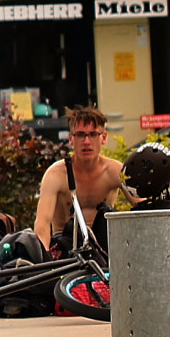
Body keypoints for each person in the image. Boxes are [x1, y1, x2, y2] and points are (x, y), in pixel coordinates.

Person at [32, 105, 123, 256]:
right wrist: (44, 260)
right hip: (65, 244)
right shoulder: (56, 174)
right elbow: (42, 225)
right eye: (80, 135)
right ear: (71, 139)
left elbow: (143, 208)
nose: (86, 141)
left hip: (105, 244)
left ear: (104, 138)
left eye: (93, 134)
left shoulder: (115, 171)